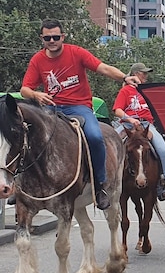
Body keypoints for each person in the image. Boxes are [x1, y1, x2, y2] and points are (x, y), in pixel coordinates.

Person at [20, 18, 140, 210]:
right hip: (50, 109)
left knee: (94, 136)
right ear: (42, 38)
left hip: (79, 107)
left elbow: (103, 68)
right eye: (47, 38)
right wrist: (36, 94)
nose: (52, 41)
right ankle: (23, 184)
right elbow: (25, 89)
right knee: (27, 134)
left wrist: (124, 77)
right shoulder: (37, 59)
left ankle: (100, 185)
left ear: (62, 37)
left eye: (56, 37)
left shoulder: (76, 52)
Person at [112, 63, 165, 201]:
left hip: (147, 126)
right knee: (107, 146)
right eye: (143, 73)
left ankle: (162, 185)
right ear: (134, 74)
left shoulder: (148, 91)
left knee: (164, 152)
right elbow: (118, 110)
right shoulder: (125, 91)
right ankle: (106, 183)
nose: (146, 75)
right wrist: (130, 119)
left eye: (146, 73)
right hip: (127, 125)